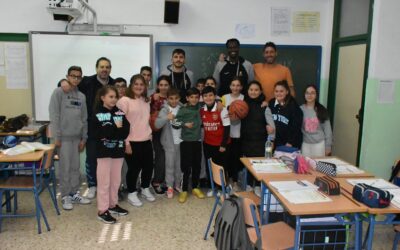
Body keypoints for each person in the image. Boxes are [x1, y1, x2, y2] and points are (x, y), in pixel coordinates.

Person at [49, 66, 91, 210]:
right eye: (73, 76)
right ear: (67, 76)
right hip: (63, 138)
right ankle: (65, 195)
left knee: (75, 167)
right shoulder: (58, 92)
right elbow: (54, 115)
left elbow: (84, 118)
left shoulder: (81, 96)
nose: (75, 79)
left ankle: (74, 193)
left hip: (77, 138)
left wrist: (84, 138)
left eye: (78, 76)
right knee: (64, 168)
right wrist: (57, 137)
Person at [92, 85, 130, 223]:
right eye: (111, 97)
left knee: (115, 181)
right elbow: (100, 134)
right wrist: (115, 129)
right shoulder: (97, 114)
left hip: (118, 151)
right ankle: (102, 210)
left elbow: (125, 131)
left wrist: (112, 130)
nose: (114, 100)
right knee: (104, 182)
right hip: (104, 153)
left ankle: (112, 205)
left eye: (116, 97)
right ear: (103, 98)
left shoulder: (120, 112)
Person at [79, 57, 115, 199]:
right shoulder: (86, 82)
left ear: (110, 69)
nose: (104, 69)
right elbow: (69, 85)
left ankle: (107, 185)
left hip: (109, 128)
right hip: (92, 127)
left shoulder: (113, 83)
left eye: (107, 67)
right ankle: (92, 185)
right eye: (102, 67)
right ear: (96, 68)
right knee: (92, 158)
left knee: (108, 158)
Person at [117, 74, 155, 207]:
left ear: (145, 86)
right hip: (131, 142)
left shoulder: (146, 100)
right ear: (131, 86)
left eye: (141, 84)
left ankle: (145, 188)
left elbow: (145, 120)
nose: (139, 86)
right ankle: (132, 193)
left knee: (148, 167)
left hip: (146, 140)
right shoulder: (124, 101)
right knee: (134, 168)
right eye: (136, 84)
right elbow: (119, 124)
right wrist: (126, 142)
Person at [241, 81, 275, 194]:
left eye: (256, 90)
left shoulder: (265, 106)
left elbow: (272, 128)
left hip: (261, 142)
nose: (253, 92)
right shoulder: (242, 105)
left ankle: (259, 186)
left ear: (260, 91)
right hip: (247, 141)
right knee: (249, 165)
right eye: (251, 89)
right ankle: (249, 185)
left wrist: (271, 140)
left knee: (260, 166)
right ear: (247, 91)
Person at [175, 87, 204, 203]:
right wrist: (184, 124)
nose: (194, 99)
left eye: (196, 97)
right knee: (186, 167)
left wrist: (220, 103)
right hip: (186, 142)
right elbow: (174, 123)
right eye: (191, 97)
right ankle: (184, 189)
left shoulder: (200, 107)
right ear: (187, 98)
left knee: (197, 166)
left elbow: (214, 101)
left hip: (197, 142)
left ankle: (195, 188)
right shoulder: (183, 109)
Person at [200, 86, 231, 197]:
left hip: (221, 144)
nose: (208, 98)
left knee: (222, 167)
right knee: (210, 167)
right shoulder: (202, 109)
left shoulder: (221, 109)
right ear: (202, 98)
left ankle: (223, 188)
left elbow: (227, 127)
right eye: (205, 96)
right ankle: (211, 187)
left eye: (211, 95)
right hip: (208, 143)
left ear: (215, 96)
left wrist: (223, 144)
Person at [154, 88, 183, 198]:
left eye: (176, 98)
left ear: (179, 98)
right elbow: (157, 124)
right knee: (169, 165)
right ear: (167, 99)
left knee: (178, 165)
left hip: (180, 141)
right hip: (169, 142)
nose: (174, 101)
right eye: (171, 98)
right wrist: (167, 117)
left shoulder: (182, 108)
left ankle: (177, 184)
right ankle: (169, 186)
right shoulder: (164, 110)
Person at [221, 77, 244, 191]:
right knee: (226, 159)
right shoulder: (224, 98)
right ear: (230, 86)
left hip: (238, 133)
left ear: (241, 87)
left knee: (236, 159)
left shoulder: (244, 98)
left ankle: (235, 181)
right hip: (227, 134)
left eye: (238, 85)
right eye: (233, 85)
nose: (235, 87)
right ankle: (227, 180)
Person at [150, 75, 170, 194]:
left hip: (170, 132)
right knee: (160, 156)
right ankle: (156, 181)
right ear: (157, 86)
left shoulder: (172, 97)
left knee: (169, 158)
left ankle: (165, 181)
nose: (163, 87)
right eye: (161, 85)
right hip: (156, 131)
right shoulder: (153, 97)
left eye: (166, 85)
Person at [268, 80, 303, 149]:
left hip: (289, 144)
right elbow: (267, 119)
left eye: (281, 91)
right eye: (276, 91)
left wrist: (290, 142)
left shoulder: (293, 105)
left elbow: (296, 126)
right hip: (275, 142)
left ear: (287, 92)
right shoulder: (271, 103)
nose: (279, 93)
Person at [300, 84, 332, 157]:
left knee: (318, 167)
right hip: (305, 144)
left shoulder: (322, 110)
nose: (309, 95)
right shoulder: (300, 110)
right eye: (307, 93)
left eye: (312, 93)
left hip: (319, 145)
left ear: (316, 95)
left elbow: (328, 130)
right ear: (304, 95)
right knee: (306, 167)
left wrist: (328, 146)